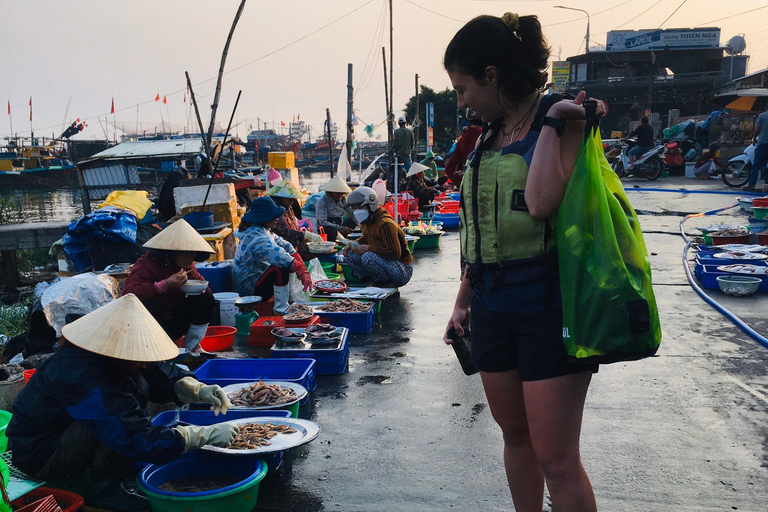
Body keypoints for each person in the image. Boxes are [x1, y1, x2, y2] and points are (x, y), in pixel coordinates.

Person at [443, 12, 607, 512]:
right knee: (516, 438)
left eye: (463, 87)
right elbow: (483, 230)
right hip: (492, 305)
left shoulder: (561, 119)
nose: (461, 100)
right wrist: (462, 303)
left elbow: (539, 203)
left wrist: (556, 118)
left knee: (556, 455)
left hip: (547, 306)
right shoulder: (487, 138)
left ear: (492, 76)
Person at [7, 294, 238, 511]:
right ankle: (103, 490)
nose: (142, 364)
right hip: (38, 453)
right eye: (136, 358)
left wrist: (193, 388)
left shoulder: (107, 356)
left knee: (137, 392)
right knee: (114, 426)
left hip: (62, 433)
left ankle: (112, 472)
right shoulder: (81, 375)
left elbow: (155, 371)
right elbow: (130, 434)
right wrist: (198, 436)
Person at [122, 219, 215, 351]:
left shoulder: (187, 266)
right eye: (186, 254)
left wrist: (201, 287)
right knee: (151, 303)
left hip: (176, 322)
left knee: (206, 298)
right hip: (149, 325)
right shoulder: (148, 263)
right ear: (172, 252)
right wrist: (165, 285)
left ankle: (193, 346)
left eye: (192, 254)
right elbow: (128, 293)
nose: (190, 258)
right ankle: (154, 348)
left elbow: (201, 285)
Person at [232, 197, 313, 313]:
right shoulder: (255, 237)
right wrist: (300, 269)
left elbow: (285, 245)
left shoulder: (263, 230)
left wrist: (303, 269)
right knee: (280, 268)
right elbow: (280, 256)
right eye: (274, 216)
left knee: (288, 261)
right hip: (249, 287)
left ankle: (290, 300)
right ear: (264, 218)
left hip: (259, 277)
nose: (277, 219)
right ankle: (281, 308)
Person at [344, 186, 413, 287]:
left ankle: (385, 285)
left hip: (402, 269)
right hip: (385, 262)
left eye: (360, 207)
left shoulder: (385, 224)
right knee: (350, 253)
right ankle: (369, 283)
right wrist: (353, 244)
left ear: (370, 205)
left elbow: (395, 253)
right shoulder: (366, 222)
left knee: (368, 257)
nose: (357, 211)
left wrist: (369, 248)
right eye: (354, 209)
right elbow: (367, 238)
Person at [266, 180, 323, 261]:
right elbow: (284, 230)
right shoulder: (275, 209)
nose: (292, 201)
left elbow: (294, 225)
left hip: (294, 238)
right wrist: (305, 235)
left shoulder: (288, 207)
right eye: (290, 199)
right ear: (282, 197)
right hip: (281, 241)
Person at [445, 110, 484, 187]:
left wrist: (461, 185)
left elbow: (449, 168)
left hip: (467, 189)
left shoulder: (462, 138)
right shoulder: (485, 136)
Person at [316, 175, 356, 241]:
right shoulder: (322, 202)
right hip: (327, 228)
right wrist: (339, 228)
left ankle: (344, 237)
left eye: (342, 194)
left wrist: (361, 225)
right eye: (338, 194)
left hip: (339, 224)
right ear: (331, 193)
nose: (340, 196)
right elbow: (322, 222)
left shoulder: (343, 199)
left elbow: (351, 212)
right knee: (330, 230)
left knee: (352, 220)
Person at [746, 104, 768, 191]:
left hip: (762, 143)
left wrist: (754, 138)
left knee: (756, 165)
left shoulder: (762, 116)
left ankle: (751, 185)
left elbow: (757, 129)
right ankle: (767, 186)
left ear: (766, 108)